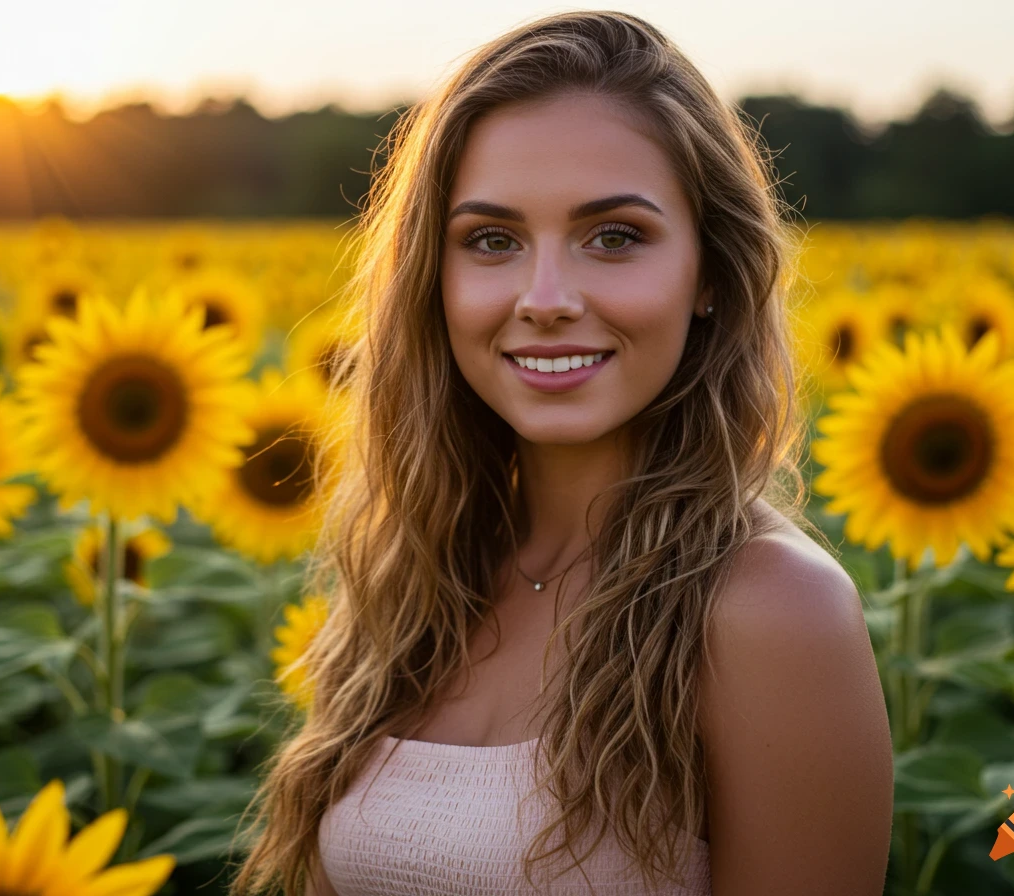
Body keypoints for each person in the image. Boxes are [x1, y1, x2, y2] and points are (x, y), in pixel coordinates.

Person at [231, 10, 893, 896]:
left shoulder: (771, 611)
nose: (544, 299)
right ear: (436, 277)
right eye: (492, 240)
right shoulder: (417, 571)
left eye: (614, 236)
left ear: (709, 274)